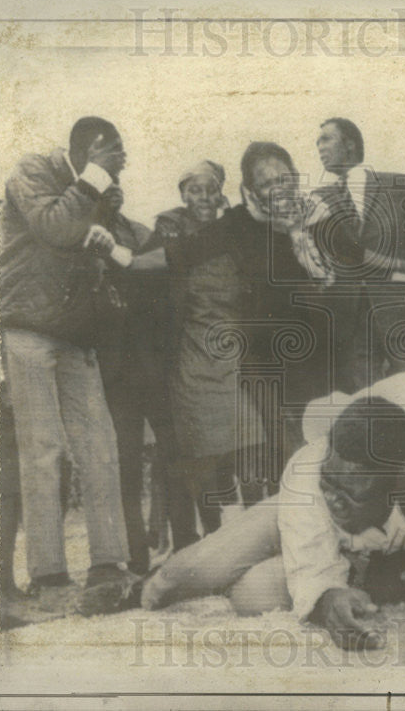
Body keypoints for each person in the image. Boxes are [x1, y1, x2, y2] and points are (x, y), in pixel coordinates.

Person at [138, 358, 405, 648]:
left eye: (352, 494)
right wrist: (325, 594)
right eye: (332, 485)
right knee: (189, 570)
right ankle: (140, 590)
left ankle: (372, 563)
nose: (335, 502)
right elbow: (327, 490)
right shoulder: (315, 467)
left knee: (253, 594)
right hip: (395, 450)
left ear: (398, 488)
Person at [0, 116, 134, 615]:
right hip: (28, 324)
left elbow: (109, 246)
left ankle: (108, 564)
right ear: (87, 149)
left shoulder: (96, 183)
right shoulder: (31, 171)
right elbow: (55, 227)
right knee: (42, 450)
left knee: (100, 445)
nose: (117, 165)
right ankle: (49, 574)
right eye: (108, 155)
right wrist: (97, 179)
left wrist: (110, 212)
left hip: (78, 332)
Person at [153, 160, 265, 539]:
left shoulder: (235, 231)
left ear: (221, 193)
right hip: (193, 356)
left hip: (235, 355)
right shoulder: (170, 224)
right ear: (183, 194)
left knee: (250, 447)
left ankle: (256, 535)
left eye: (210, 189)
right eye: (194, 190)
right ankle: (213, 538)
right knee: (201, 456)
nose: (203, 197)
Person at [216, 141, 333, 494]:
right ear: (250, 190)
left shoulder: (318, 217)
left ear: (297, 178)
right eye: (266, 183)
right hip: (263, 360)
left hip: (315, 356)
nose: (278, 189)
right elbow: (184, 254)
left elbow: (350, 264)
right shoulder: (237, 223)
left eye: (284, 178)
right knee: (283, 452)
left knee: (321, 447)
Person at [94, 185, 180, 573]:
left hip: (152, 362)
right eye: (104, 185)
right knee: (125, 466)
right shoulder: (78, 233)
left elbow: (163, 279)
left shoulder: (140, 234)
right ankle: (136, 558)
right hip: (111, 368)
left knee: (175, 456)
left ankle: (182, 546)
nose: (113, 191)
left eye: (118, 184)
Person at [308, 117, 405, 392]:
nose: (319, 147)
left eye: (326, 139)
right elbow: (342, 253)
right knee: (364, 405)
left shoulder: (397, 184)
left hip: (402, 312)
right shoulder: (318, 197)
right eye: (317, 142)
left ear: (350, 144)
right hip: (349, 321)